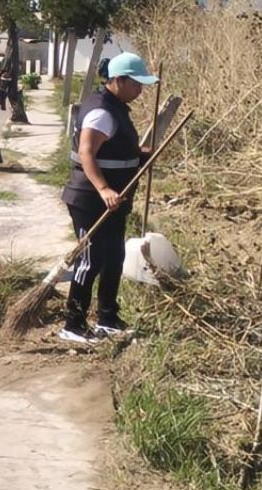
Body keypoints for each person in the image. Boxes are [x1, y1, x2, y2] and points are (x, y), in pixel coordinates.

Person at [58, 52, 157, 344]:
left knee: (114, 257)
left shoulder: (116, 107)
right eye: (136, 84)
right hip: (90, 200)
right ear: (118, 80)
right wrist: (104, 189)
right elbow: (87, 152)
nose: (140, 90)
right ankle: (73, 324)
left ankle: (107, 318)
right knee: (90, 261)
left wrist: (138, 155)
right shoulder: (102, 111)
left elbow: (112, 149)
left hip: (114, 202)